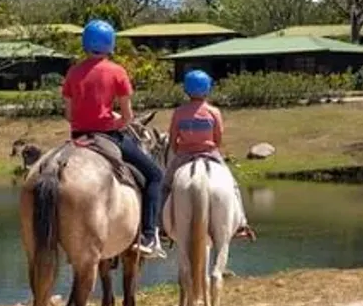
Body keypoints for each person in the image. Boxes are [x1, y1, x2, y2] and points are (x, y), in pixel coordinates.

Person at [62, 19, 166, 259]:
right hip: (108, 136)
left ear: (85, 44)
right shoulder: (117, 71)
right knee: (155, 175)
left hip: (78, 137)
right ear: (110, 44)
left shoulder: (73, 72)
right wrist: (116, 121)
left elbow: (69, 114)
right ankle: (149, 235)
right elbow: (128, 116)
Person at [163, 69, 255, 241]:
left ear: (186, 90)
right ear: (207, 89)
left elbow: (173, 140)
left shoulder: (179, 112)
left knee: (164, 186)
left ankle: (159, 227)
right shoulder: (214, 112)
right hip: (210, 154)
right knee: (233, 185)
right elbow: (218, 139)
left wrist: (181, 151)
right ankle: (241, 223)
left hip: (184, 155)